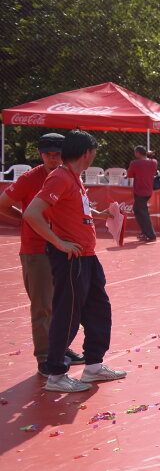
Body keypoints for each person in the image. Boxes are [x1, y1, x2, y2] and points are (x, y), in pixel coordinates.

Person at [22, 131, 126, 392]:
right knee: (67, 315)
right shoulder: (59, 176)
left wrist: (101, 215)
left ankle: (93, 367)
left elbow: (72, 209)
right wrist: (59, 242)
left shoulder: (73, 178)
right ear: (87, 153)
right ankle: (56, 375)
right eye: (94, 153)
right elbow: (32, 213)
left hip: (87, 256)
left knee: (98, 310)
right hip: (70, 258)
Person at [0, 133, 86, 378]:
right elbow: (2, 204)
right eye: (47, 152)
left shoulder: (70, 175)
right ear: (40, 153)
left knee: (63, 303)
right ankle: (45, 357)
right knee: (42, 307)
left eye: (56, 152)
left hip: (63, 248)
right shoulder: (31, 178)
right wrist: (27, 220)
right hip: (37, 250)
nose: (51, 156)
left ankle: (59, 348)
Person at [127, 145, 158, 242]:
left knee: (143, 213)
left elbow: (129, 175)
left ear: (138, 153)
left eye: (135, 152)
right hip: (148, 190)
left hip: (139, 191)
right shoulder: (154, 162)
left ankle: (150, 234)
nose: (134, 154)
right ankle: (145, 232)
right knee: (137, 210)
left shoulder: (135, 163)